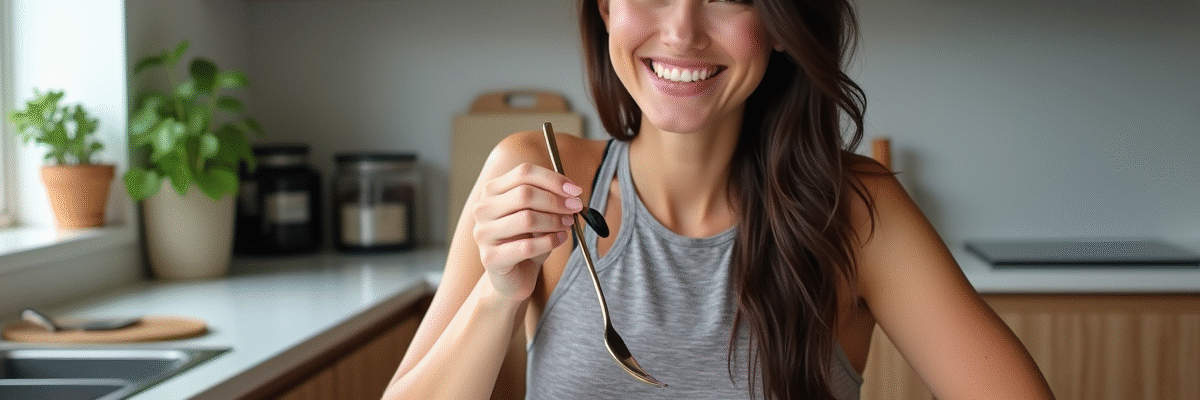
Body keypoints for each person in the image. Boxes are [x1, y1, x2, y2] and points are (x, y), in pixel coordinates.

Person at [385, 0, 1055, 398]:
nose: (682, 32)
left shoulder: (855, 214)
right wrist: (497, 294)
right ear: (606, 6)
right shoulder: (533, 169)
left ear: (781, 22)